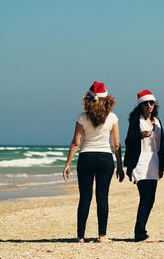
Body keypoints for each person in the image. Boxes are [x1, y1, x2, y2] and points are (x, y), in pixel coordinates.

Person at [63, 81, 125, 243]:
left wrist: (68, 163)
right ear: (106, 99)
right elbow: (116, 144)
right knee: (102, 197)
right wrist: (120, 166)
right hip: (105, 158)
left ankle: (80, 236)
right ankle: (102, 236)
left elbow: (76, 142)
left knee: (85, 197)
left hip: (86, 157)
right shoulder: (112, 117)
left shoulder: (82, 117)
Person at [124, 89, 164, 242]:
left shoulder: (158, 122)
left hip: (154, 162)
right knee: (145, 197)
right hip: (140, 161)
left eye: (151, 102)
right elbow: (128, 141)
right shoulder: (136, 121)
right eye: (146, 103)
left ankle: (141, 230)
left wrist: (162, 166)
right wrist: (139, 136)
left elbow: (160, 147)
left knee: (151, 199)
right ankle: (139, 232)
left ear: (154, 104)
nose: (149, 105)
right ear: (140, 105)